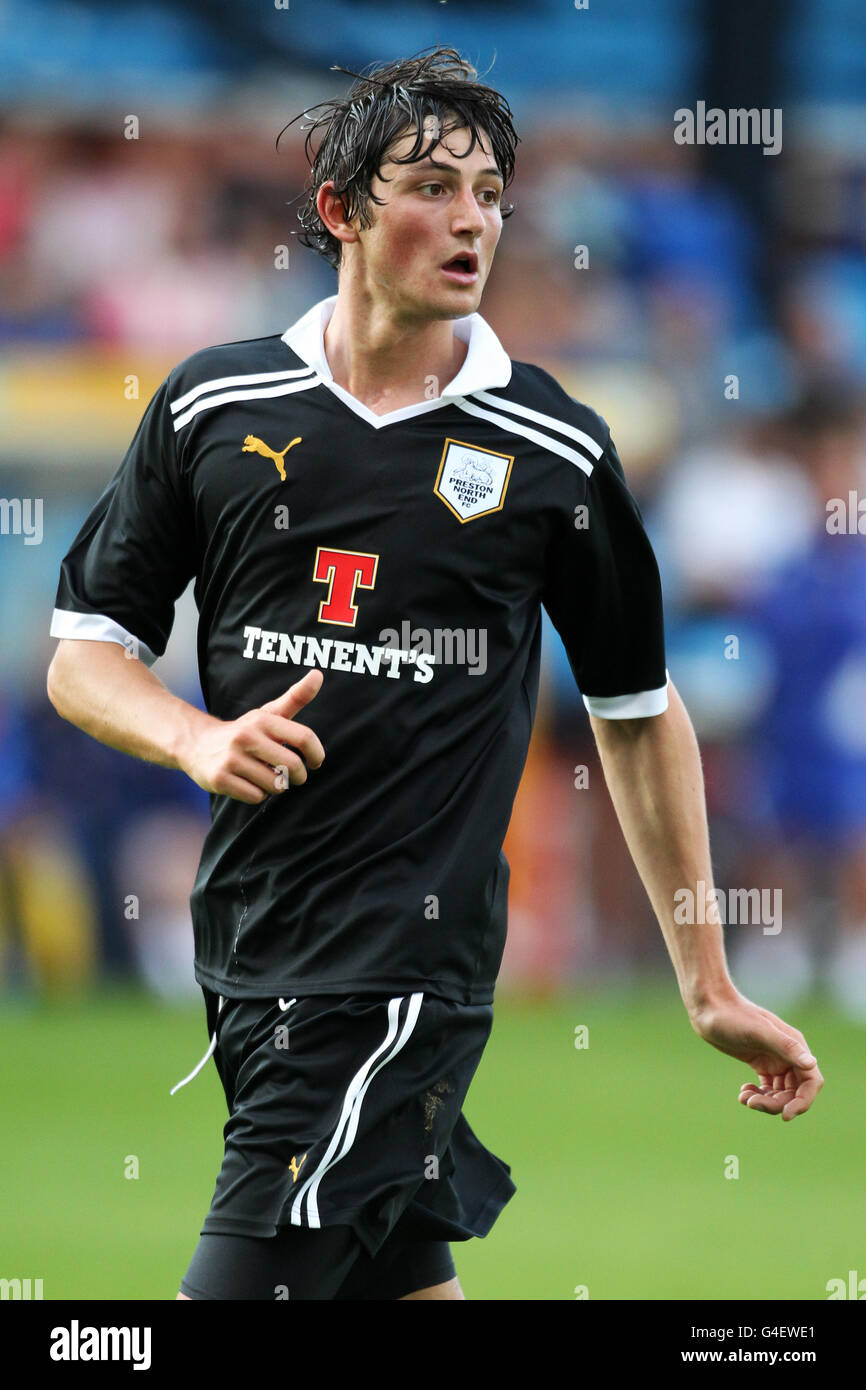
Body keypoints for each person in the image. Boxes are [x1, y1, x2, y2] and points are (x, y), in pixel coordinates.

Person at [45, 46, 823, 1302]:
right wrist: (193, 738)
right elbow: (85, 658)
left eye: (489, 193)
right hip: (249, 956)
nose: (471, 220)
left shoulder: (551, 447)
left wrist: (705, 975)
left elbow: (635, 712)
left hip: (398, 982)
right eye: (429, 186)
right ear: (342, 212)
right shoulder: (213, 408)